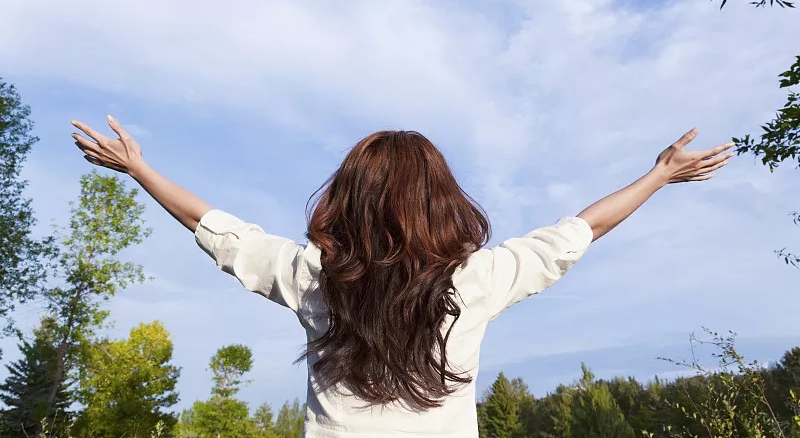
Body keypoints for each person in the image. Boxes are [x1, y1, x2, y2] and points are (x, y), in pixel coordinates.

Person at [70, 116, 733, 438]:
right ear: (441, 198)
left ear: (347, 200)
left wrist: (140, 169)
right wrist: (661, 174)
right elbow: (581, 229)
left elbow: (216, 227)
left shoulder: (315, 278)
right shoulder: (477, 279)